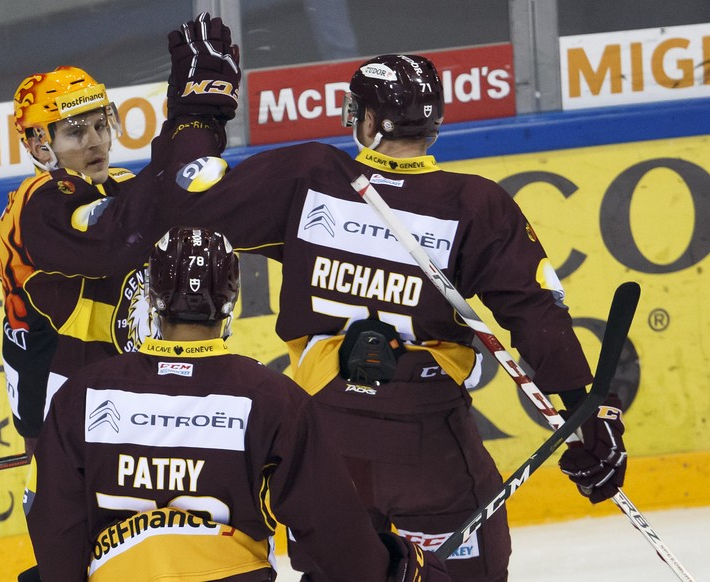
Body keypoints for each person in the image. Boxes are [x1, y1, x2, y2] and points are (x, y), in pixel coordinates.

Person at [157, 54, 627, 581]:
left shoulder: (311, 174)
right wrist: (595, 412)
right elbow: (536, 312)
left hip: (325, 434)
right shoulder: (475, 203)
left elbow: (191, 202)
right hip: (426, 442)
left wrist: (199, 113)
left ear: (371, 121)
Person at [23, 226, 451, 582]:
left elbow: (55, 524)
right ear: (230, 301)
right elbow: (333, 528)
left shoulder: (82, 394)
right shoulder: (271, 398)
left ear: (152, 299)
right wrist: (394, 569)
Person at [0, 13, 240, 456]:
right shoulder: (38, 201)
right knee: (67, 501)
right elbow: (111, 240)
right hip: (52, 380)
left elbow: (165, 199)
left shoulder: (119, 183)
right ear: (37, 145)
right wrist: (188, 121)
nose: (95, 142)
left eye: (100, 125)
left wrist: (199, 122)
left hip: (112, 374)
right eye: (75, 131)